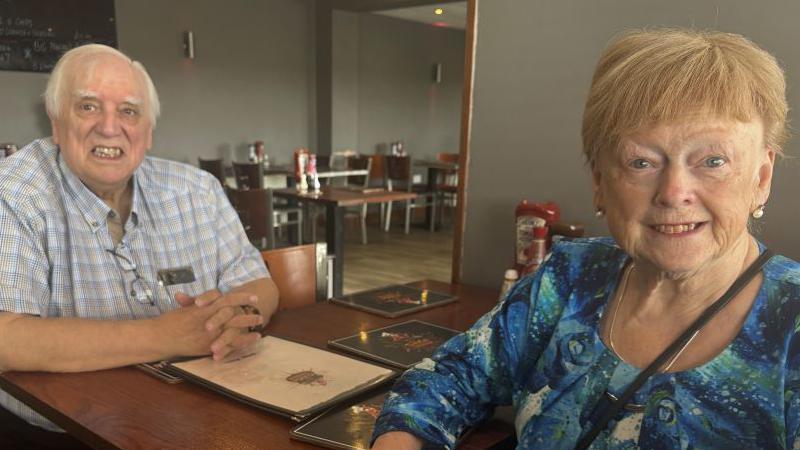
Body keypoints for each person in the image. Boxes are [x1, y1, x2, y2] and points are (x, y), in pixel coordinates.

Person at [372, 28, 800, 449]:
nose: (673, 193)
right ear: (599, 182)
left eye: (713, 160)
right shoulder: (571, 276)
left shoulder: (792, 323)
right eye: (641, 162)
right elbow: (446, 378)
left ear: (761, 178)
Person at [0, 44, 279, 447]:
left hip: (198, 414)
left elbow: (260, 284)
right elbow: (7, 340)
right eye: (88, 107)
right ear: (56, 124)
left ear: (148, 132)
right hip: (57, 431)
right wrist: (167, 335)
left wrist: (237, 319)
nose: (110, 127)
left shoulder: (197, 190)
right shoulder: (14, 193)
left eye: (129, 111)